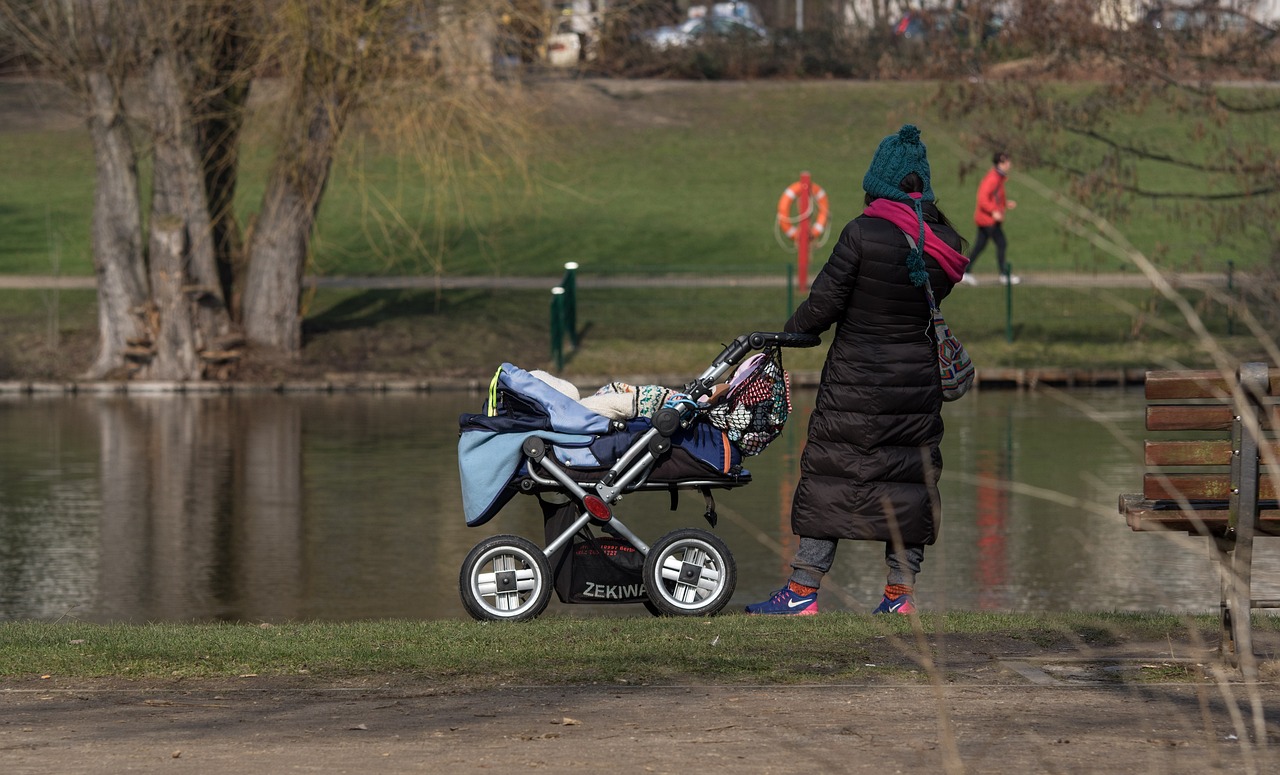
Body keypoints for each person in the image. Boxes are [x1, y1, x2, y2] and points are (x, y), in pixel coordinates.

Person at [744, 124, 968, 616]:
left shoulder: (862, 232)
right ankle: (899, 598)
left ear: (879, 181)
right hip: (916, 382)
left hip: (856, 380)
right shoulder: (944, 243)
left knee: (833, 476)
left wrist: (790, 331)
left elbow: (823, 304)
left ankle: (802, 592)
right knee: (911, 483)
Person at [961, 151, 1017, 286]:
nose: (1009, 164)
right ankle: (1004, 275)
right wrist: (993, 212)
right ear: (1000, 163)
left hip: (987, 219)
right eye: (1006, 161)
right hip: (988, 220)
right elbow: (982, 198)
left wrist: (1005, 204)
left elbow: (996, 197)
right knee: (1002, 243)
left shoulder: (998, 177)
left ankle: (965, 272)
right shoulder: (993, 178)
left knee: (979, 246)